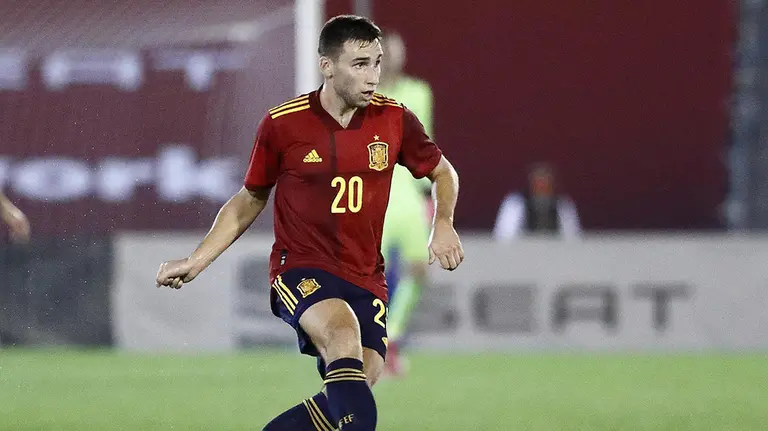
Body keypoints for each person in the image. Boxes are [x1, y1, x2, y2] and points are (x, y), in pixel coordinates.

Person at [155, 15, 463, 431]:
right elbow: (249, 199)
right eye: (359, 64)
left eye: (376, 62)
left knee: (359, 379)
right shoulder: (283, 124)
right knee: (341, 336)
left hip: (365, 274)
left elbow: (443, 172)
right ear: (327, 66)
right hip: (301, 266)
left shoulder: (394, 119)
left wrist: (442, 222)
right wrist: (198, 259)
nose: (373, 76)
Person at [376, 30, 434, 377]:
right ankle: (370, 346)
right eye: (385, 54)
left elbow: (426, 147)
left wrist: (430, 199)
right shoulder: (364, 96)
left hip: (410, 198)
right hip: (374, 196)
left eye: (397, 52)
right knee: (368, 274)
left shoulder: (419, 93)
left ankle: (390, 338)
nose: (392, 59)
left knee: (418, 270)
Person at [493, 163, 581, 241]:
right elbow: (504, 235)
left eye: (545, 181)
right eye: (539, 181)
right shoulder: (516, 203)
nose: (542, 185)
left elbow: (573, 236)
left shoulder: (563, 205)